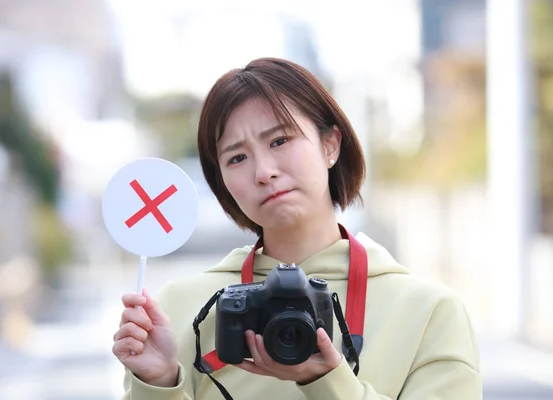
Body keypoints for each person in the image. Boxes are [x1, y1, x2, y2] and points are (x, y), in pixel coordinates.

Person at [112, 57, 482, 400]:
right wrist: (158, 384)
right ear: (222, 181)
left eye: (280, 140)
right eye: (237, 157)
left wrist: (327, 380)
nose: (263, 171)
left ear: (330, 145)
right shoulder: (183, 307)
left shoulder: (429, 312)